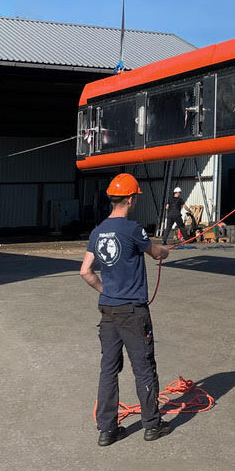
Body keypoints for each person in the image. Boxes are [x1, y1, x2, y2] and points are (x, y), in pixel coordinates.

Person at [80, 172, 171, 446]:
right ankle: (152, 425)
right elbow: (155, 252)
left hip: (108, 310)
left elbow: (85, 271)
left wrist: (105, 290)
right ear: (131, 199)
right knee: (143, 366)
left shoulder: (97, 232)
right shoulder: (133, 229)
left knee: (108, 368)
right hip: (133, 310)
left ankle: (107, 429)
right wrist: (165, 252)